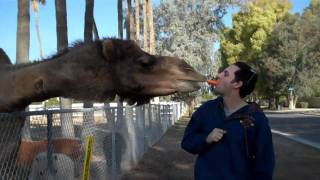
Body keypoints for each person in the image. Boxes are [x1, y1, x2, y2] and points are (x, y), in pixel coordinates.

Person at [181, 61, 275, 180]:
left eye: (225, 74)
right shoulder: (206, 110)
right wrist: (206, 139)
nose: (218, 75)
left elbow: (265, 164)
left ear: (237, 83)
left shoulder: (256, 118)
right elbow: (187, 142)